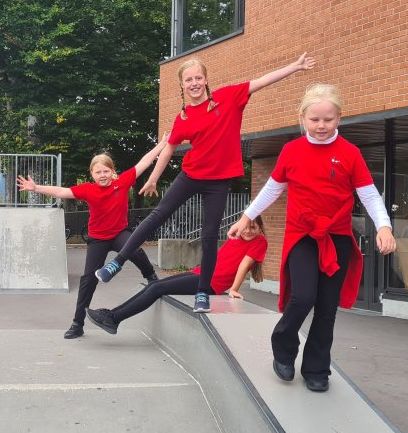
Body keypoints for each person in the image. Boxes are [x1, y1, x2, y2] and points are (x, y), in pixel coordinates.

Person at [95, 52, 316, 314]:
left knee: (209, 234)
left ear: (206, 79)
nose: (194, 83)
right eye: (189, 80)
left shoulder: (228, 97)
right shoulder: (184, 117)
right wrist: (153, 178)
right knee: (157, 215)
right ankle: (117, 263)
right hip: (190, 176)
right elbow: (169, 148)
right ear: (182, 85)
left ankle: (202, 292)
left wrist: (295, 66)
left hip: (218, 182)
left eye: (198, 78)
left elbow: (262, 81)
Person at [227, 83, 396, 393]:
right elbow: (273, 189)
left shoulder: (350, 153)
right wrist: (246, 216)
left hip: (336, 237)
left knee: (327, 307)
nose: (321, 126)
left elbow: (369, 195)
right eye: (314, 119)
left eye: (328, 120)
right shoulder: (292, 150)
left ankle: (317, 369)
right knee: (303, 296)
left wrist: (383, 226)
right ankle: (283, 345)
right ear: (302, 117)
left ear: (339, 118)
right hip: (302, 237)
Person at [17, 135, 168, 339]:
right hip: (98, 239)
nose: (102, 175)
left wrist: (162, 145)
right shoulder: (88, 190)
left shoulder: (122, 182)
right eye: (98, 172)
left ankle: (150, 277)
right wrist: (36, 188)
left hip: (119, 233)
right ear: (92, 174)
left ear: (112, 171)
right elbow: (62, 192)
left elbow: (144, 162)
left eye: (106, 171)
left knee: (135, 250)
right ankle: (77, 323)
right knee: (89, 279)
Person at [87, 216, 267, 333]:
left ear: (260, 228)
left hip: (211, 284)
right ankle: (112, 315)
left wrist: (234, 289)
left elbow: (244, 265)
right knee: (154, 285)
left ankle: (114, 318)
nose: (248, 231)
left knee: (156, 288)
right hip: (200, 274)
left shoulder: (260, 242)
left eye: (253, 227)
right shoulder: (236, 236)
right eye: (246, 226)